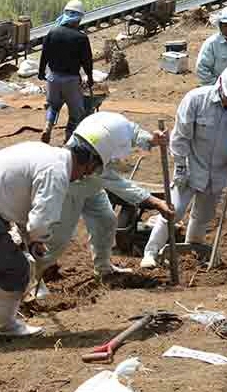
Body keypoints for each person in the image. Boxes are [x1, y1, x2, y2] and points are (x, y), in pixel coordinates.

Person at [0, 138, 103, 338]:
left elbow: (22, 205)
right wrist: (39, 238)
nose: (80, 178)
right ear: (87, 164)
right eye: (85, 173)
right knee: (17, 269)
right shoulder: (57, 172)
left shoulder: (44, 151)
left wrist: (31, 240)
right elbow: (40, 220)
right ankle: (6, 327)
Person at [141, 62, 227, 268]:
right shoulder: (196, 99)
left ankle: (192, 248)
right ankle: (150, 253)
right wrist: (180, 166)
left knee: (203, 215)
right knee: (172, 211)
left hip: (219, 172)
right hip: (191, 166)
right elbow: (180, 137)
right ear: (220, 84)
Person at [34, 112, 174, 283]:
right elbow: (119, 185)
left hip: (93, 186)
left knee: (106, 221)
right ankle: (34, 277)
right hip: (72, 187)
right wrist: (155, 202)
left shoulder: (115, 126)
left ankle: (103, 269)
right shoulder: (86, 154)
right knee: (59, 238)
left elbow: (134, 132)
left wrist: (153, 139)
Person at [38, 0, 94, 145]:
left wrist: (41, 72)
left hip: (53, 78)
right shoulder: (81, 38)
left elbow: (44, 54)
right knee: (76, 113)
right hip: (71, 80)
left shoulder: (52, 32)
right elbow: (87, 61)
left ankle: (48, 127)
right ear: (79, 18)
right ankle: (68, 141)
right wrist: (90, 77)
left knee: (53, 106)